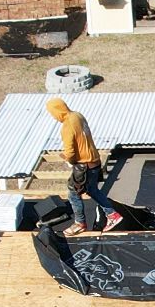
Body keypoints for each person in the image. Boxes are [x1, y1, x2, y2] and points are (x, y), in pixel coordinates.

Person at [45, 96, 111, 229]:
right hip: (94, 161)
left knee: (73, 193)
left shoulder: (67, 126)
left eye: (53, 113)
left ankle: (80, 223)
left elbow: (70, 152)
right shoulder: (77, 115)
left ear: (58, 111)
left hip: (84, 165)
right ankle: (112, 215)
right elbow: (82, 140)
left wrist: (69, 160)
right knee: (92, 190)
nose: (53, 117)